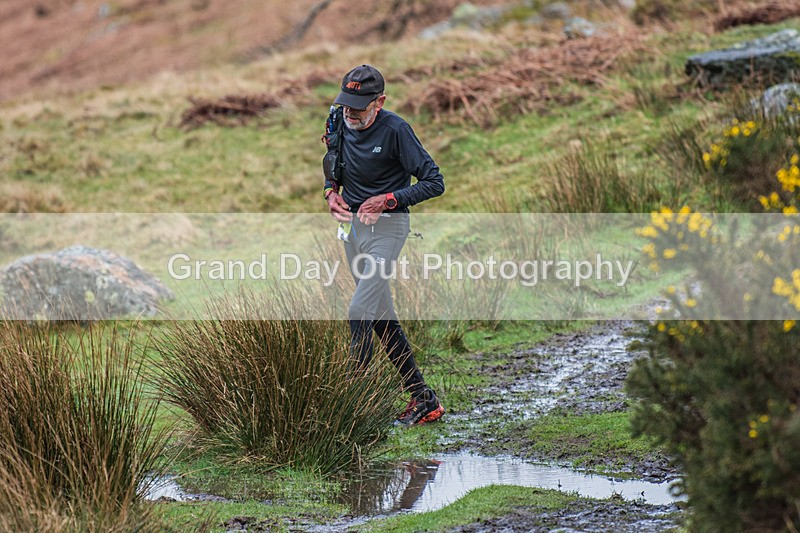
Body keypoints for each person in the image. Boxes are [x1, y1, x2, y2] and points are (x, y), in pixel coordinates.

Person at [324, 64, 445, 426]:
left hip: (389, 231)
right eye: (346, 103)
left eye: (359, 106)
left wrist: (388, 199)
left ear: (380, 102)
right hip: (353, 233)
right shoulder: (337, 120)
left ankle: (350, 410)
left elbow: (434, 182)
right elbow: (331, 159)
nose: (350, 112)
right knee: (380, 319)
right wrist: (330, 192)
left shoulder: (396, 130)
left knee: (359, 310)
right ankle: (424, 399)